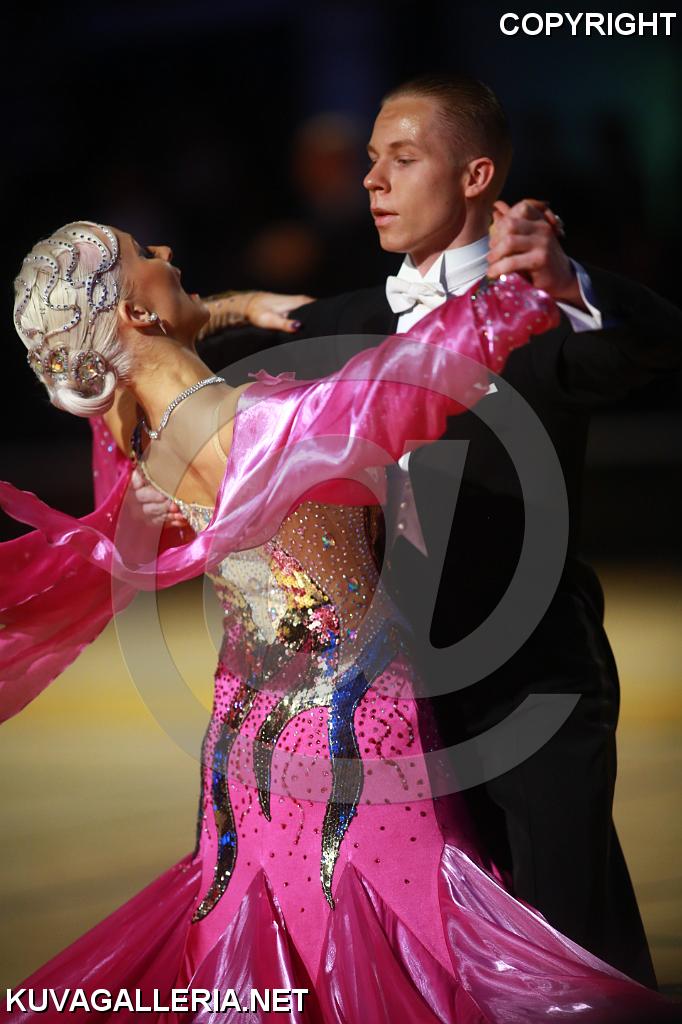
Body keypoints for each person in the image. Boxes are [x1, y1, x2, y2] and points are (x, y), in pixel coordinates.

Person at [0, 221, 677, 1023]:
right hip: (354, 734)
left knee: (285, 940)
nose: (168, 255)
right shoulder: (257, 426)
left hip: (242, 748)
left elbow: (117, 367)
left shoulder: (135, 435)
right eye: (146, 257)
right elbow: (407, 383)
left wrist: (224, 309)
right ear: (135, 315)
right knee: (402, 940)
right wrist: (518, 294)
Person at [187, 73, 682, 988]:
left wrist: (568, 280)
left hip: (526, 683)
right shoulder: (347, 321)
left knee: (569, 942)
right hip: (382, 703)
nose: (372, 179)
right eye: (372, 159)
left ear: (475, 175)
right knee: (429, 949)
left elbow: (652, 342)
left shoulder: (535, 315)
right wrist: (221, 309)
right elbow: (192, 362)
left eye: (403, 159)